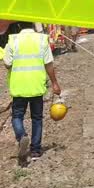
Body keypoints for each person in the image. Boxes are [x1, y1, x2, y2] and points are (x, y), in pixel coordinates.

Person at [4, 22, 62, 165]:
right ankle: (35, 150)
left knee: (17, 116)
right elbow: (48, 64)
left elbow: (7, 63)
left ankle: (22, 135)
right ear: (33, 26)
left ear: (18, 27)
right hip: (36, 86)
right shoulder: (42, 39)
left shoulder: (13, 40)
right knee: (37, 118)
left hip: (19, 87)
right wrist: (54, 82)